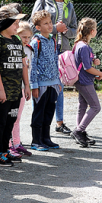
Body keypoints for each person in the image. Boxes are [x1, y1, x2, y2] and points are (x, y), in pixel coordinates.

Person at [33, 0, 78, 136]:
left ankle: (60, 123)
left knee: (58, 87)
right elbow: (33, 27)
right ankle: (38, 124)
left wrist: (64, 30)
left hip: (62, 50)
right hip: (45, 49)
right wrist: (54, 29)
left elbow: (75, 30)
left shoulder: (69, 4)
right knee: (43, 86)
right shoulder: (42, 2)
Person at [0, 5, 30, 166]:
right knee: (0, 122)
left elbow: (23, 65)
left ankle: (5, 151)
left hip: (15, 91)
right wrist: (0, 90)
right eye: (15, 23)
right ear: (5, 22)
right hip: (3, 92)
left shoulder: (16, 40)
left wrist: (26, 85)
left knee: (10, 122)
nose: (18, 26)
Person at [29, 10, 61, 151]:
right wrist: (34, 85)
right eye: (45, 23)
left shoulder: (53, 41)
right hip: (40, 84)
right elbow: (32, 64)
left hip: (53, 84)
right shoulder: (35, 43)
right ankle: (36, 140)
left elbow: (55, 61)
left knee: (49, 112)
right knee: (39, 113)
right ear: (38, 27)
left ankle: (46, 138)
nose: (49, 25)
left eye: (50, 22)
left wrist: (58, 81)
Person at [69, 18, 102, 148]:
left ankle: (81, 132)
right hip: (84, 81)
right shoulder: (83, 46)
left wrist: (94, 60)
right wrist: (99, 73)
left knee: (82, 106)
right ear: (92, 31)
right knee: (95, 107)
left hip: (81, 80)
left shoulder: (81, 44)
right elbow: (87, 68)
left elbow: (86, 62)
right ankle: (78, 130)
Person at [10, 24, 33, 157]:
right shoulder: (12, 49)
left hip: (23, 88)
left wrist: (28, 86)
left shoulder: (29, 50)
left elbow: (29, 70)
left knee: (17, 118)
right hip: (12, 88)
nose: (26, 40)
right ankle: (8, 145)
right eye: (23, 37)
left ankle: (17, 144)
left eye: (29, 37)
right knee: (10, 118)